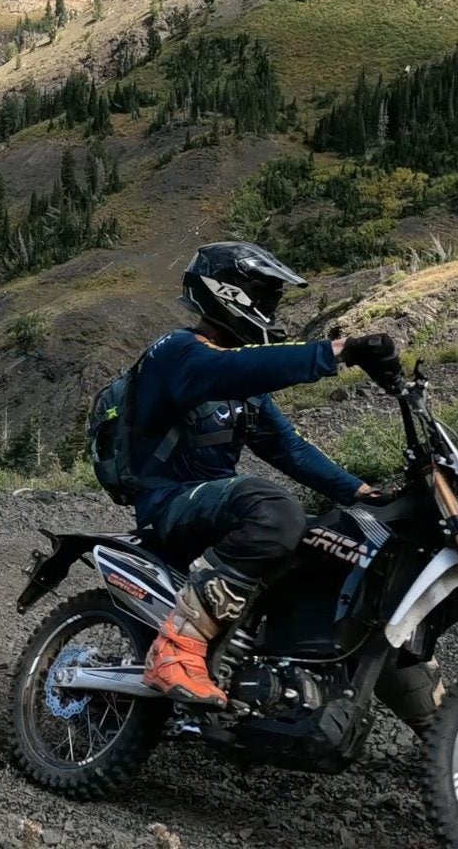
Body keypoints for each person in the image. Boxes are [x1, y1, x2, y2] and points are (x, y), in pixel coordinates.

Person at [127, 241, 404, 706]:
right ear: (227, 294)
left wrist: (362, 493)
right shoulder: (175, 353)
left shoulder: (244, 386)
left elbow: (289, 448)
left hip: (211, 510)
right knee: (272, 506)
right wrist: (336, 351)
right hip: (168, 503)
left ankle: (450, 725)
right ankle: (175, 648)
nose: (270, 308)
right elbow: (225, 368)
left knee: (338, 544)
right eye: (265, 295)